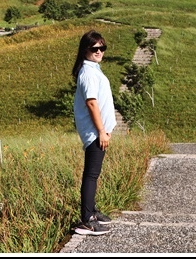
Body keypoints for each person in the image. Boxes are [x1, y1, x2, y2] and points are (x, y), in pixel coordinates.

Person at [71, 30, 117, 236]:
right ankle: (86, 220)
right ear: (85, 50)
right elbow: (91, 102)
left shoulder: (93, 69)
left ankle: (92, 212)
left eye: (102, 47)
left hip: (99, 131)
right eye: (94, 48)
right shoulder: (88, 72)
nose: (99, 51)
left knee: (93, 174)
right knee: (91, 175)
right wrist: (101, 131)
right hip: (95, 132)